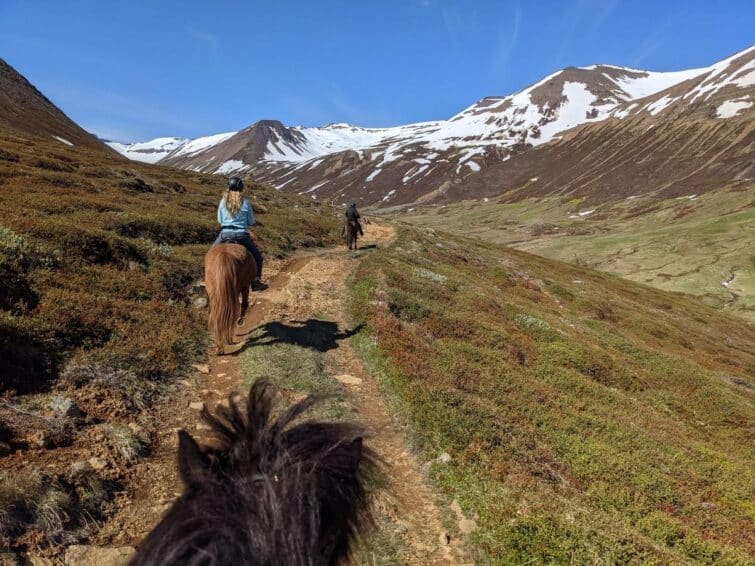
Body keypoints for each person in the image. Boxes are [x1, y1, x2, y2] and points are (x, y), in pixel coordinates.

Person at [213, 176, 268, 291]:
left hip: (225, 234)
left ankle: (207, 280)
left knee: (210, 254)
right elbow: (251, 221)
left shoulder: (223, 201)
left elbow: (219, 220)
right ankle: (256, 281)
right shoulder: (246, 202)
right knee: (257, 257)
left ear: (228, 187)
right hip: (241, 235)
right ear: (241, 188)